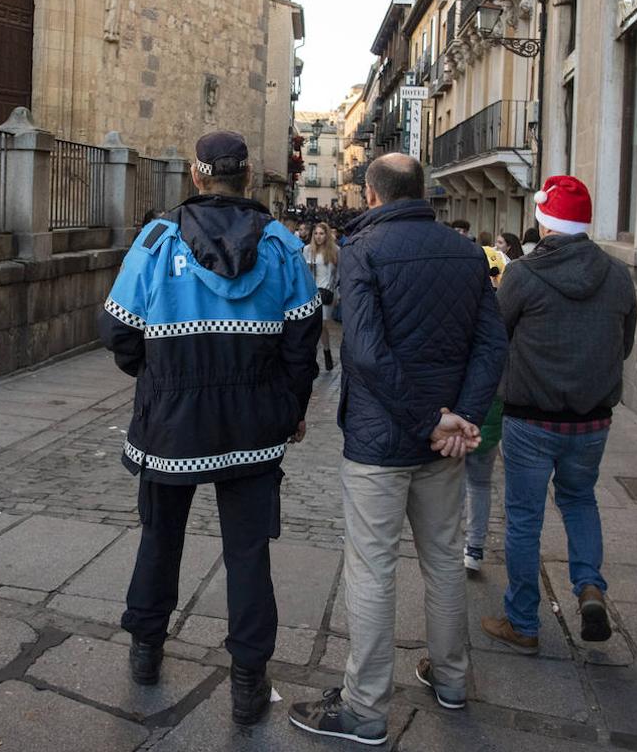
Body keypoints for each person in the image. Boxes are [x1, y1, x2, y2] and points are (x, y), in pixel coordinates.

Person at [99, 131, 322, 727]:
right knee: (249, 553)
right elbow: (304, 340)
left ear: (196, 178)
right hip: (254, 426)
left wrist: (161, 377)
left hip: (171, 426)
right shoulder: (282, 245)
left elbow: (119, 332)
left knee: (159, 537)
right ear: (248, 178)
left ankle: (146, 647)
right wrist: (291, 406)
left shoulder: (155, 241)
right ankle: (249, 680)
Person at [289, 154, 507, 747]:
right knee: (442, 559)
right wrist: (458, 417)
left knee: (372, 567)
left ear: (371, 193)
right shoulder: (467, 254)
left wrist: (430, 420)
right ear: (423, 191)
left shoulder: (364, 250)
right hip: (443, 444)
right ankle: (453, 679)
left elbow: (362, 350)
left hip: (380, 440)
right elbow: (492, 345)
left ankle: (364, 710)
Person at [480, 175, 637, 657]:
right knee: (579, 501)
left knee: (524, 518)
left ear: (544, 223)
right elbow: (624, 344)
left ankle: (523, 621)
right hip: (592, 421)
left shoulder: (523, 275)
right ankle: (589, 587)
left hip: (531, 418)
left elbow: (496, 335)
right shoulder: (617, 275)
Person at [464, 246, 509, 574]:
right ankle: (474, 547)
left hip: (458, 411)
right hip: (491, 413)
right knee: (480, 483)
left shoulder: (458, 309)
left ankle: (452, 546)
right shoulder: (507, 313)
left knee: (450, 485)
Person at [304, 221, 340, 371]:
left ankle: (322, 352)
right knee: (316, 325)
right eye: (316, 233)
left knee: (321, 324)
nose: (318, 237)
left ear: (327, 235)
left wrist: (338, 292)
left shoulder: (336, 250)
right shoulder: (307, 250)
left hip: (326, 293)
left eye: (322, 233)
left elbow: (339, 273)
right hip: (310, 292)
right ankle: (325, 351)